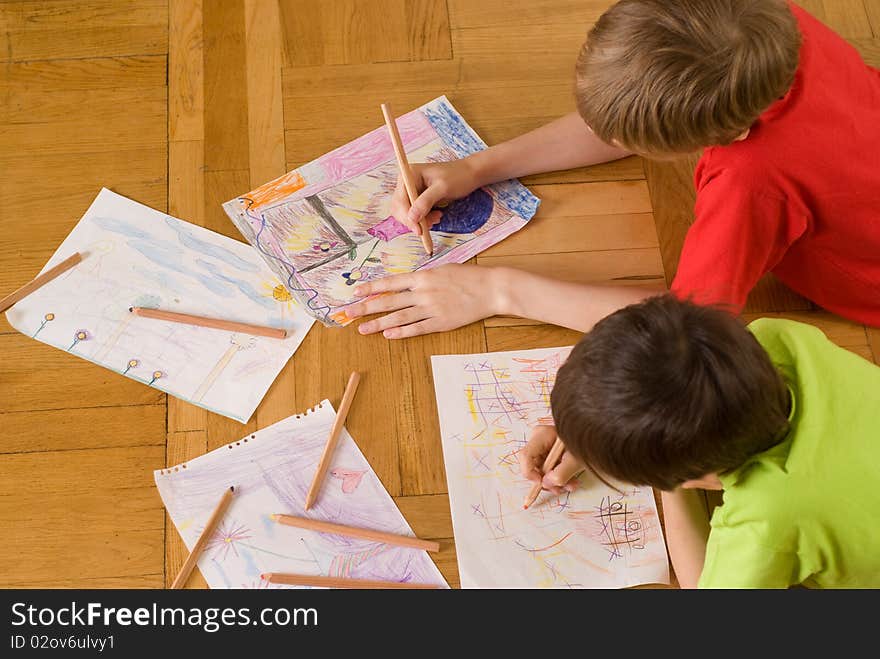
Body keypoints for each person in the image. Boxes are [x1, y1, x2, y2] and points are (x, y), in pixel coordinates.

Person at [345, 0, 880, 339]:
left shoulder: (751, 183)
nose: (612, 140)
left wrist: (495, 292)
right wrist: (477, 167)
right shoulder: (758, 26)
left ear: (731, 134)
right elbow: (631, 117)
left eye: (632, 140)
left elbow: (689, 327)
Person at [518, 294, 880, 588]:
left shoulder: (768, 519)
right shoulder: (777, 336)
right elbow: (669, 378)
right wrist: (592, 428)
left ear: (690, 479)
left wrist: (663, 479)